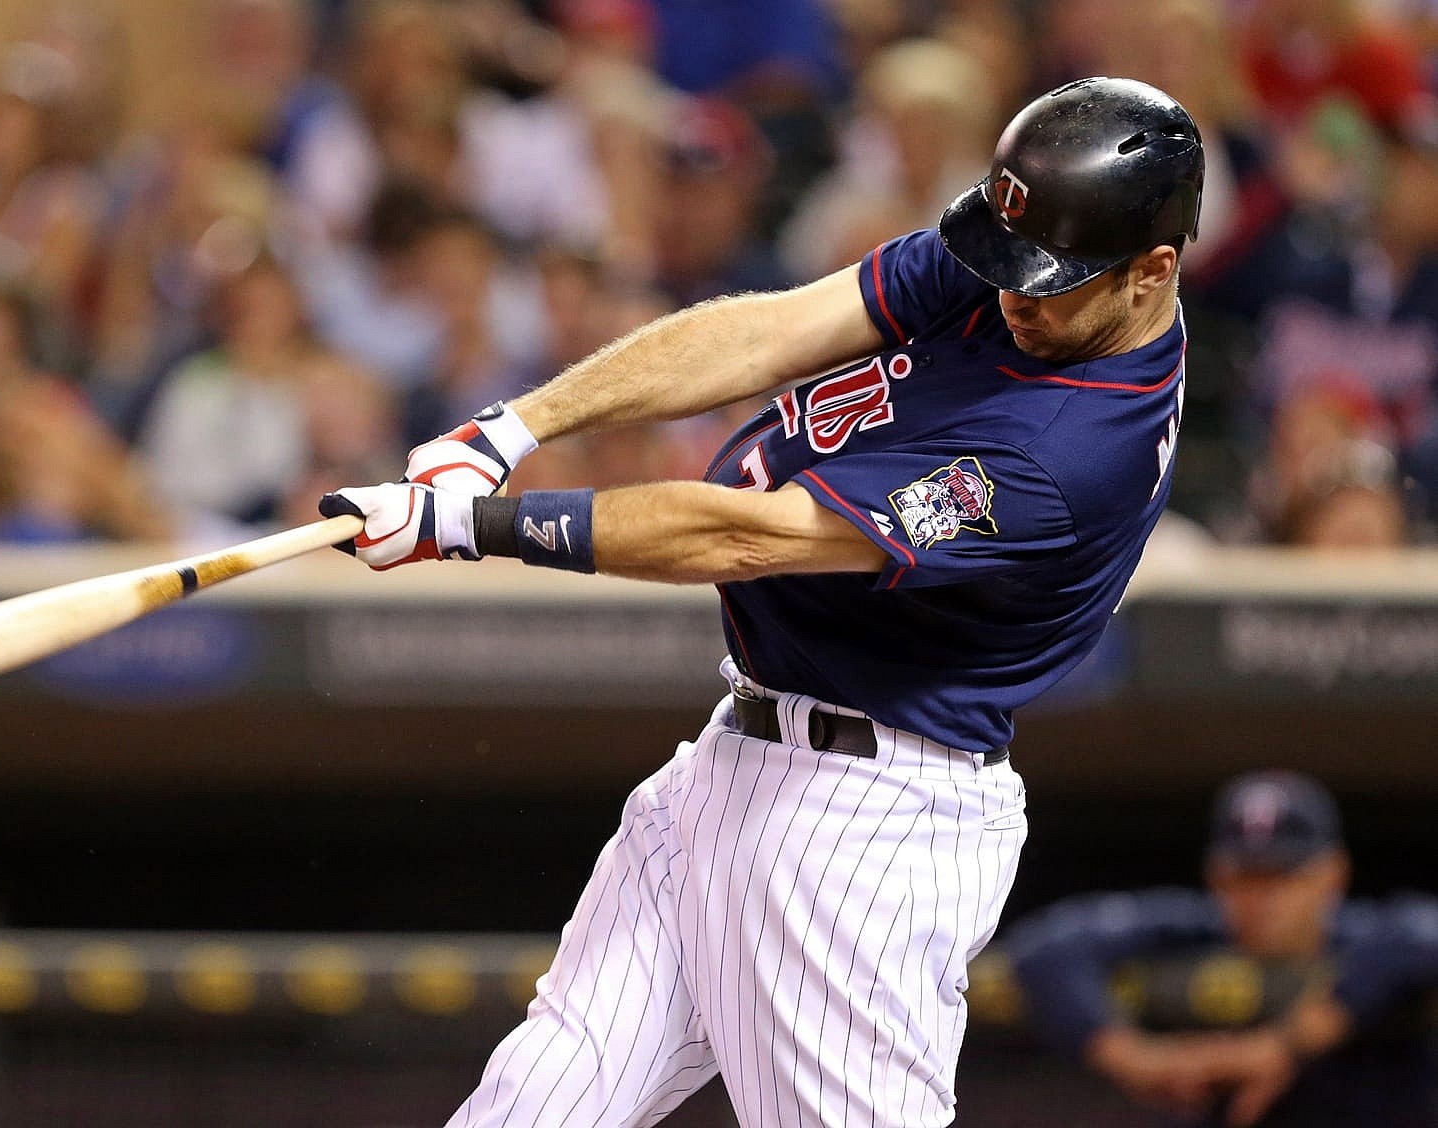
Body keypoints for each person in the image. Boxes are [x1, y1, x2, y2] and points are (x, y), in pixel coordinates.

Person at [323, 76, 1205, 1127]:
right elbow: (770, 332)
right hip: (732, 765)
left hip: (861, 828)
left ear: (1152, 272)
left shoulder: (1071, 454)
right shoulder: (1026, 269)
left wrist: (476, 526)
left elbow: (747, 537)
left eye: (1049, 280)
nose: (1015, 294)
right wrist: (509, 430)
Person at [1003, 772, 1438, 1127]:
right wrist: (1138, 1059)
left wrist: (1284, 1046)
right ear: (1217, 875)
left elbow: (1421, 932)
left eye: (1284, 875)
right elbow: (1045, 947)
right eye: (1248, 876)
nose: (1265, 899)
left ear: (1333, 874)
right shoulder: (1195, 933)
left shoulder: (1369, 939)